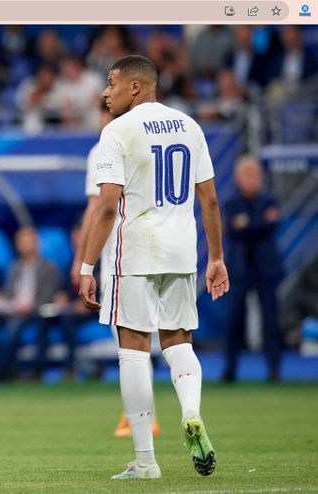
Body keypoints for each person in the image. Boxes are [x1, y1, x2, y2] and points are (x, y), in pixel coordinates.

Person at [78, 55, 229, 480]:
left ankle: (145, 462)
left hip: (138, 251)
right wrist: (215, 257)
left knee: (133, 350)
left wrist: (87, 265)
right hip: (183, 251)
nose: (105, 92)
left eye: (111, 83)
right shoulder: (191, 126)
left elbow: (107, 206)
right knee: (180, 342)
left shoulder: (118, 132)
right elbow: (211, 201)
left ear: (136, 88)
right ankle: (192, 411)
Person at [70, 100, 161, 439]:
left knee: (128, 338)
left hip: (117, 255)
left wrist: (83, 262)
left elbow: (97, 209)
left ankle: (141, 414)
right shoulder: (148, 143)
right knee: (163, 336)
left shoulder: (104, 147)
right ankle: (168, 407)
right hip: (158, 249)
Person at [223, 156, 283, 382]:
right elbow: (234, 229)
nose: (251, 180)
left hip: (266, 268)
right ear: (237, 178)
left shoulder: (269, 200)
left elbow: (271, 225)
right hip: (239, 268)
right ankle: (230, 369)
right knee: (234, 319)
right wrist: (258, 222)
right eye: (246, 175)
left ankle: (275, 369)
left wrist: (247, 223)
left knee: (271, 319)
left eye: (254, 174)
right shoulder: (231, 203)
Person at [0, 226, 65, 379]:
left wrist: (29, 307)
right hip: (13, 309)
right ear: (17, 245)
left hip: (36, 312)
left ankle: (5, 371)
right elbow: (9, 292)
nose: (27, 245)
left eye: (30, 241)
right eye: (23, 242)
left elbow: (47, 297)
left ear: (37, 243)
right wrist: (0, 297)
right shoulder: (14, 267)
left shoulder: (49, 268)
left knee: (14, 327)